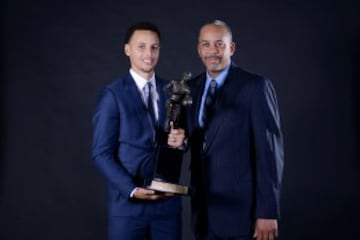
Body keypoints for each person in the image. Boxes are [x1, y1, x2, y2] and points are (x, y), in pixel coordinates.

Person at [186, 20, 285, 240]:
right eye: (206, 44)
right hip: (203, 212)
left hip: (243, 214)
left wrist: (267, 212)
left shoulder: (255, 87)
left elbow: (269, 155)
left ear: (231, 48)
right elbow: (189, 141)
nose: (213, 51)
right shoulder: (190, 89)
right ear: (199, 49)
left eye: (219, 44)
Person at [91, 22, 185, 240]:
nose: (148, 54)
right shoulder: (112, 95)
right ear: (127, 50)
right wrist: (131, 189)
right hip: (128, 206)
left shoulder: (172, 90)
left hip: (167, 206)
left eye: (154, 47)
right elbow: (100, 153)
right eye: (141, 46)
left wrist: (182, 141)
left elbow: (179, 139)